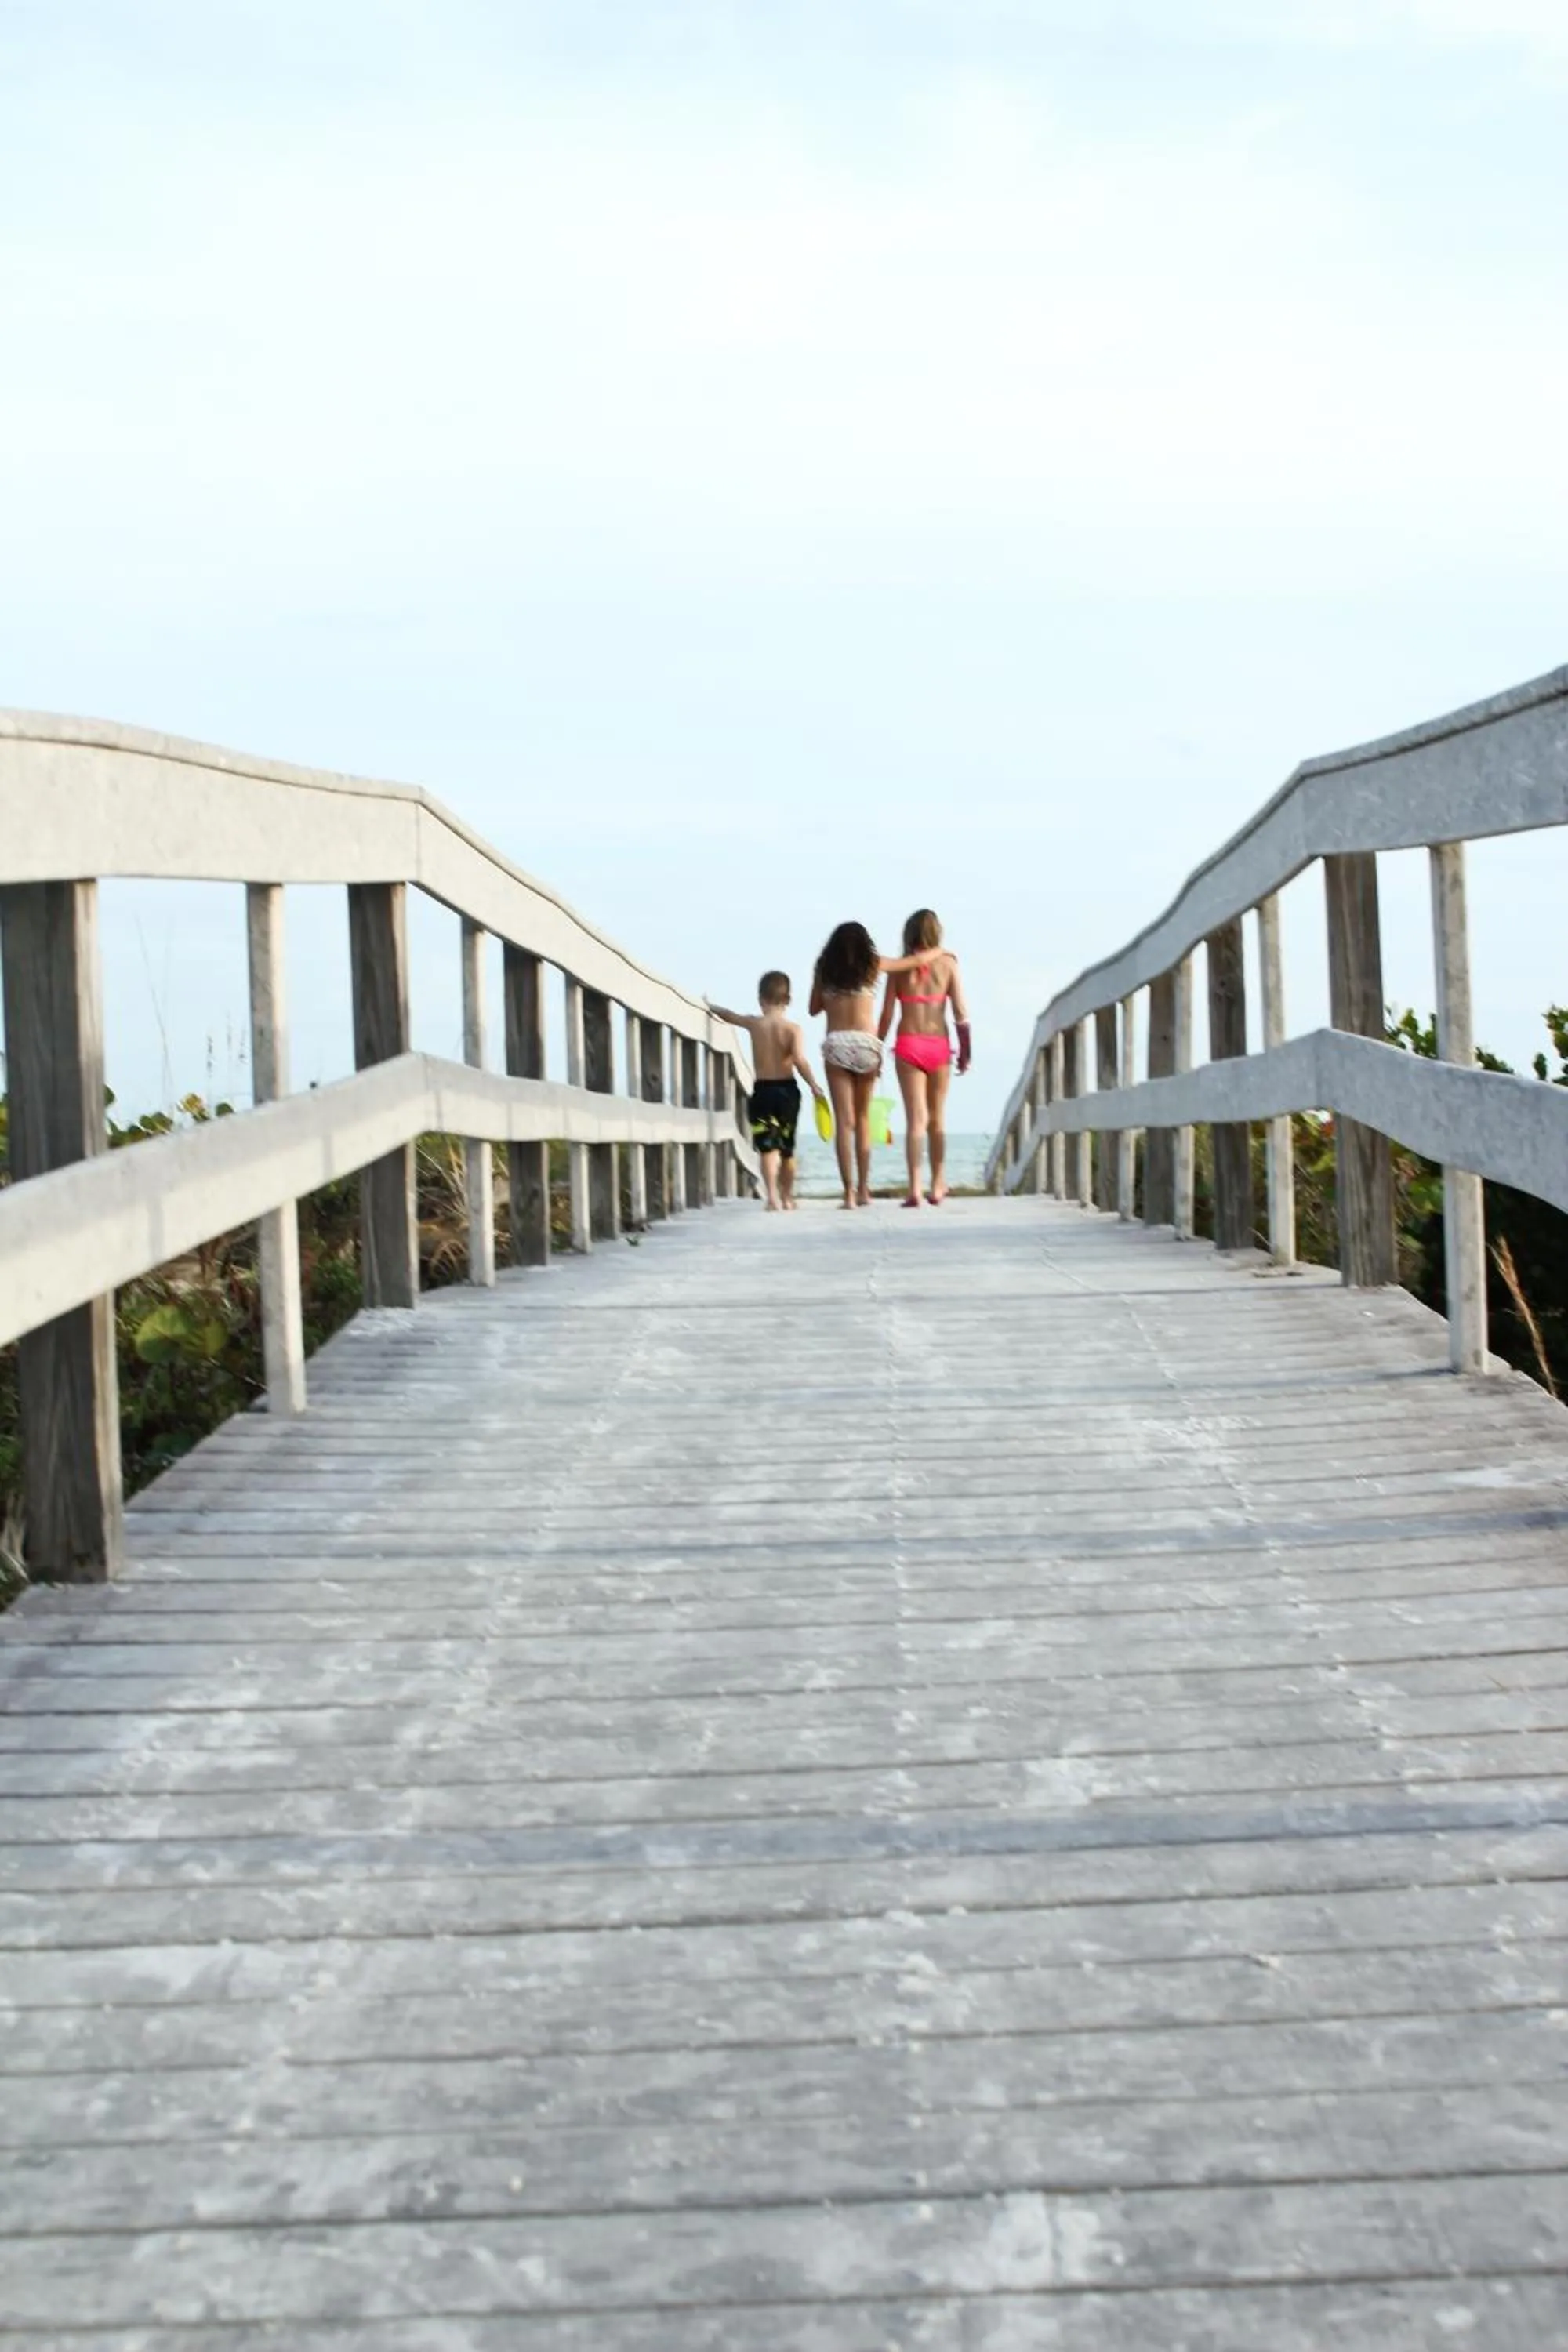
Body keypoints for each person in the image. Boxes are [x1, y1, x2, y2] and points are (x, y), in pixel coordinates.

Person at [809, 924, 932, 1209]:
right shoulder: (873, 965)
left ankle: (848, 1194)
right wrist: (940, 951)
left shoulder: (824, 968)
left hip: (837, 1043)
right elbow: (914, 961)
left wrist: (832, 995)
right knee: (863, 1118)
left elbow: (813, 1009)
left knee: (845, 1122)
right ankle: (864, 1189)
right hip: (867, 1044)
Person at [707, 972, 825, 1212]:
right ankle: (787, 1197)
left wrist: (711, 1006)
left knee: (767, 1148)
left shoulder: (754, 1024)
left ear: (761, 999)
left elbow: (730, 1016)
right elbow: (799, 1060)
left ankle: (771, 1197)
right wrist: (814, 1084)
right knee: (787, 1149)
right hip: (787, 1093)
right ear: (788, 999)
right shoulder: (793, 1029)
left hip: (762, 1093)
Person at [878, 908, 971, 1207]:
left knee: (915, 1120)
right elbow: (960, 1013)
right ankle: (938, 1184)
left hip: (908, 1045)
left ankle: (915, 1189)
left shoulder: (899, 969)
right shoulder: (949, 964)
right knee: (937, 1119)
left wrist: (876, 1048)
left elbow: (887, 1014)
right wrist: (965, 1051)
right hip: (939, 1044)